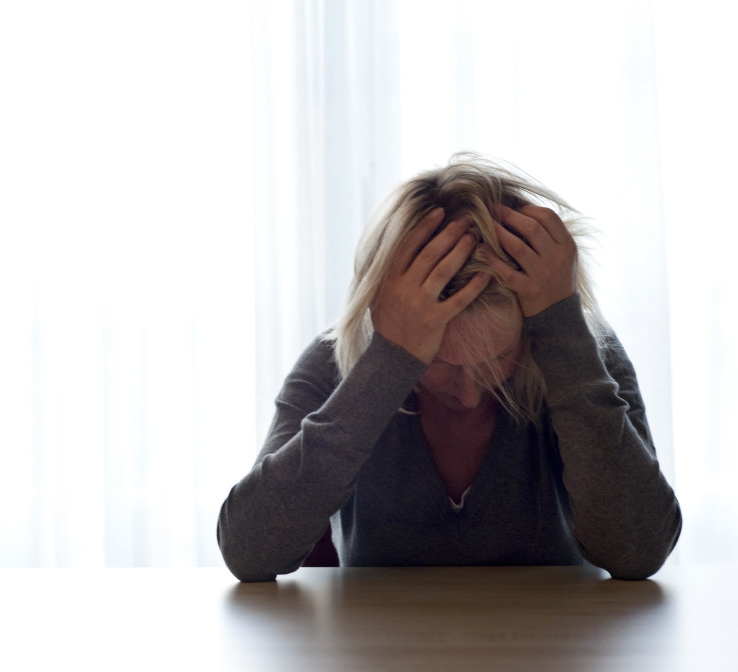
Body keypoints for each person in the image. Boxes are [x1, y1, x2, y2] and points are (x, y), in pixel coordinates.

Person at [217, 154, 682, 582]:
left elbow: (639, 551)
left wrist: (562, 329)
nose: (469, 395)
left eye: (497, 358)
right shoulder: (341, 361)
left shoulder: (578, 352)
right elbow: (250, 552)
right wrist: (389, 363)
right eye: (437, 362)